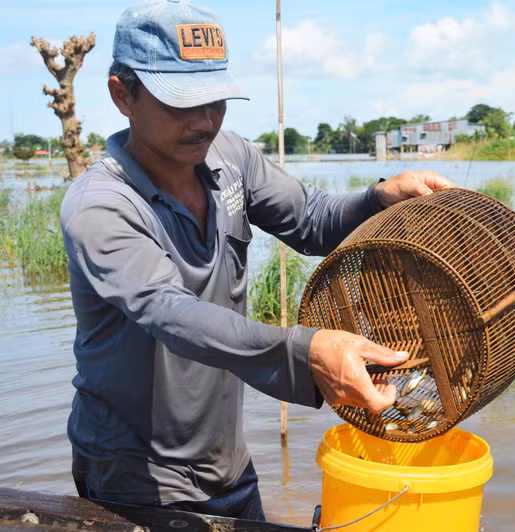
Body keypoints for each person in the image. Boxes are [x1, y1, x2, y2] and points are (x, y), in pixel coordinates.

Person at [60, 0, 451, 521]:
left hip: (226, 461)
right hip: (134, 476)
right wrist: (307, 351)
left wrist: (377, 198)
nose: (204, 121)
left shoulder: (230, 156)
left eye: (215, 99)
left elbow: (310, 218)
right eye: (181, 103)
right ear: (122, 94)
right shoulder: (101, 207)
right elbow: (171, 313)